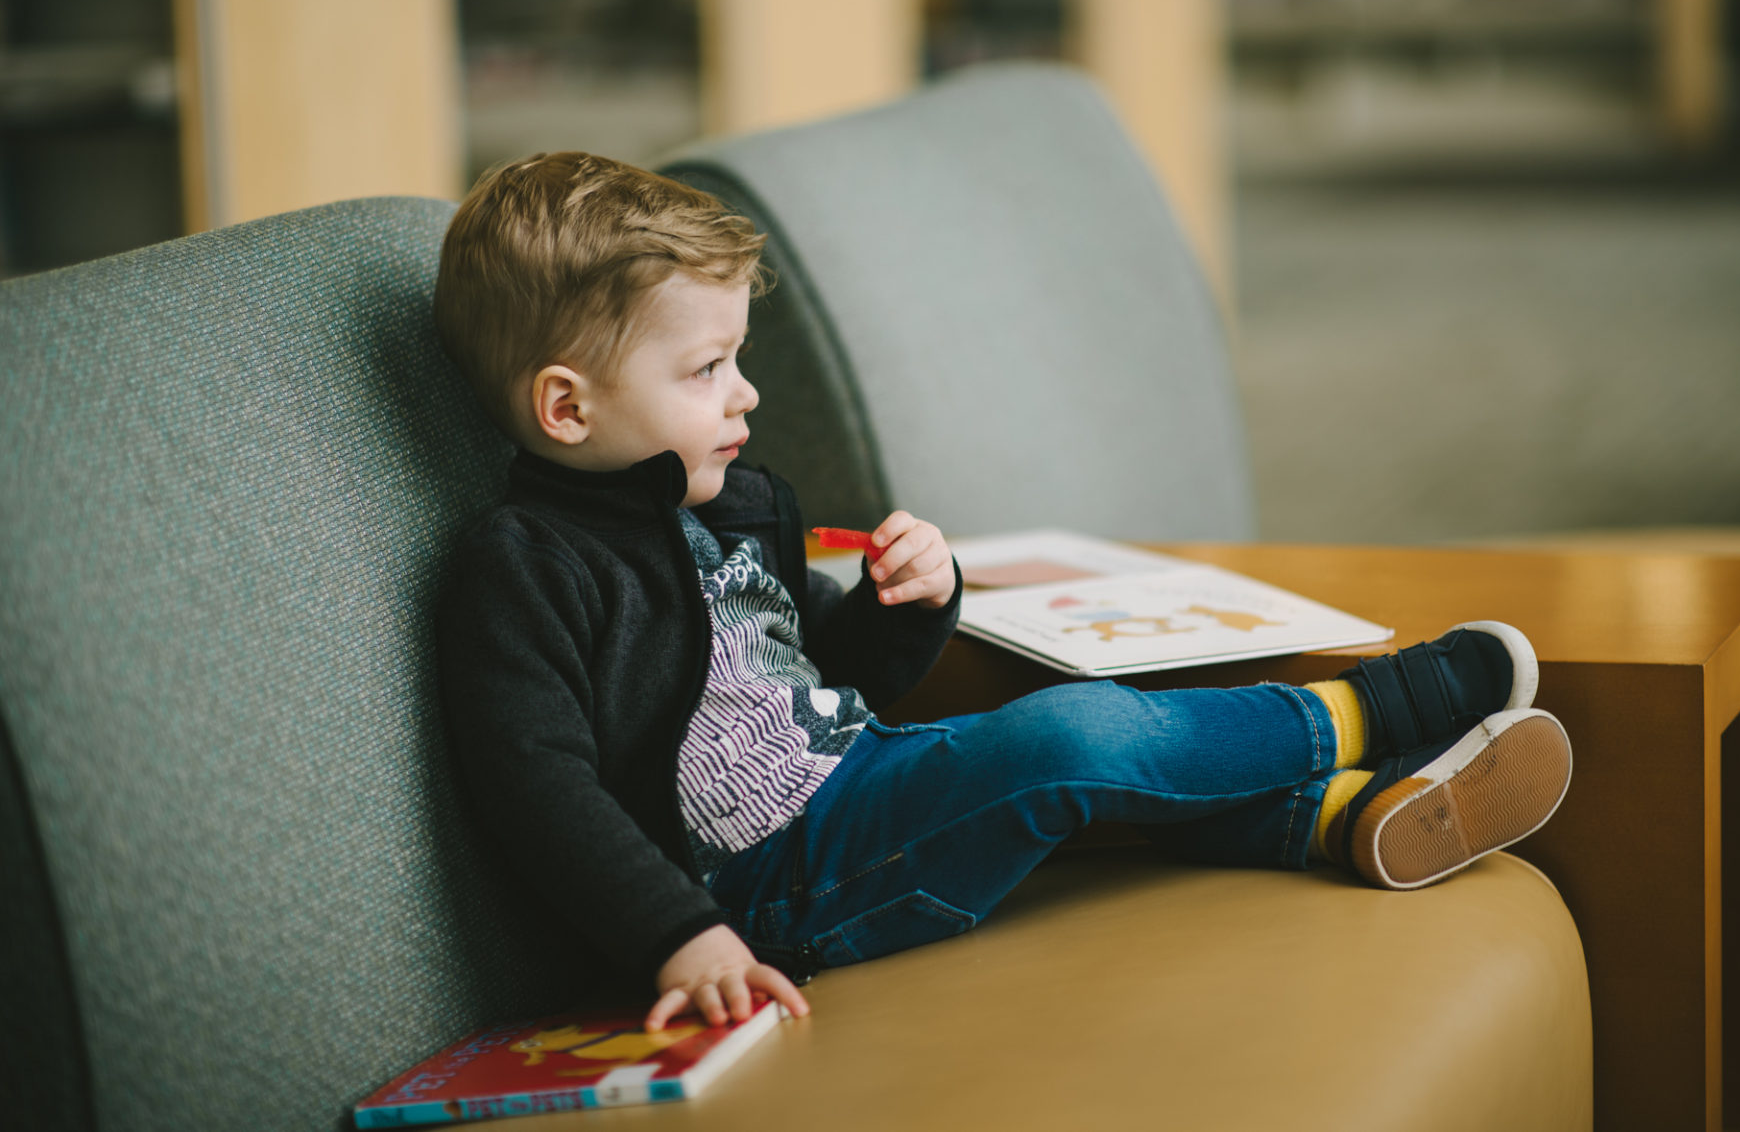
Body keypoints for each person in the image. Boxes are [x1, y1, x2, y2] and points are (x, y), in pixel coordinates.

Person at [432, 151, 1574, 1036]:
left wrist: (905, 604)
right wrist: (680, 936)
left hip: (857, 780)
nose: (748, 393)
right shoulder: (521, 566)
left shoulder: (737, 505)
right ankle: (1364, 708)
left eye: (736, 355)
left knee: (1076, 769)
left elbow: (829, 671)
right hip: (771, 884)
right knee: (1064, 740)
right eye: (705, 370)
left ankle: (1339, 818)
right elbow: (540, 786)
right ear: (567, 408)